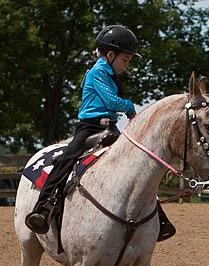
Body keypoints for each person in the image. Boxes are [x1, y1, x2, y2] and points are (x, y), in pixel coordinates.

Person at [25, 25, 176, 241]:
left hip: (109, 128)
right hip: (89, 128)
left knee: (136, 165)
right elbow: (111, 101)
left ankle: (157, 216)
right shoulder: (97, 72)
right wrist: (130, 107)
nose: (126, 65)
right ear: (110, 55)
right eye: (125, 60)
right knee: (66, 160)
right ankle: (43, 206)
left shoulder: (112, 75)